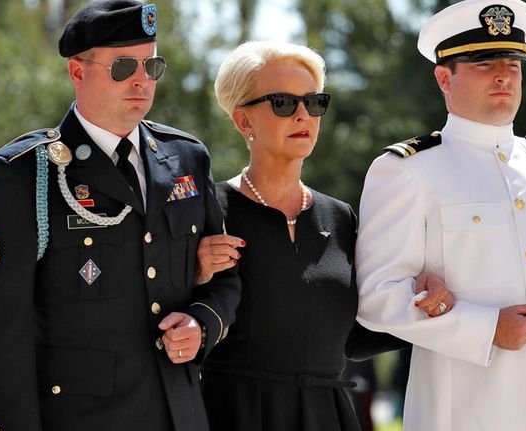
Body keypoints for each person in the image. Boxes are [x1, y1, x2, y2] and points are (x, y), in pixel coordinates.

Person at [355, 1, 526, 430]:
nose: (503, 74)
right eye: (483, 63)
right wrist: (486, 329)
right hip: (467, 412)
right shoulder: (407, 170)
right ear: (444, 77)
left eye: (512, 63)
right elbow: (376, 297)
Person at [0, 2, 240, 430]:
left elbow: (226, 276)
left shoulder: (187, 158)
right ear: (78, 72)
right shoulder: (27, 172)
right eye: (123, 67)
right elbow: (1, 327)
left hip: (179, 413)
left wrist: (202, 323)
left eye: (151, 66)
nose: (140, 80)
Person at [193, 41, 450, 431]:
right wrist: (193, 274)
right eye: (283, 103)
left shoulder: (340, 216)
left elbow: (352, 337)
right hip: (235, 413)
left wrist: (421, 304)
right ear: (244, 122)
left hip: (328, 414)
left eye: (313, 103)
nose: (303, 115)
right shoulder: (207, 209)